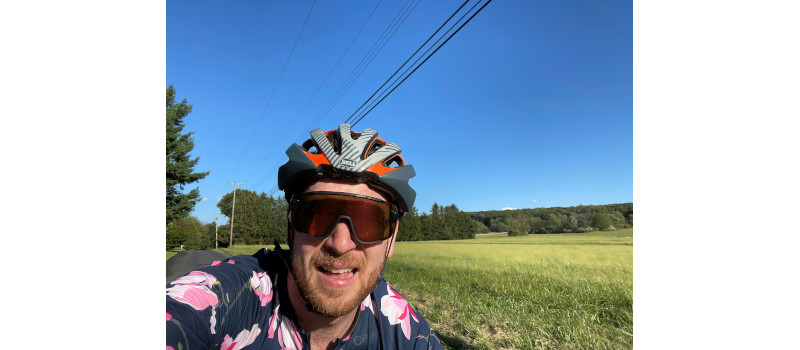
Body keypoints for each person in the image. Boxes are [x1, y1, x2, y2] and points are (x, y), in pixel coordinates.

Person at [166, 124, 443, 350]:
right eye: (317, 215)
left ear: (391, 238)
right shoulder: (230, 298)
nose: (340, 244)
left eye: (368, 222)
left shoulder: (406, 332)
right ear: (291, 223)